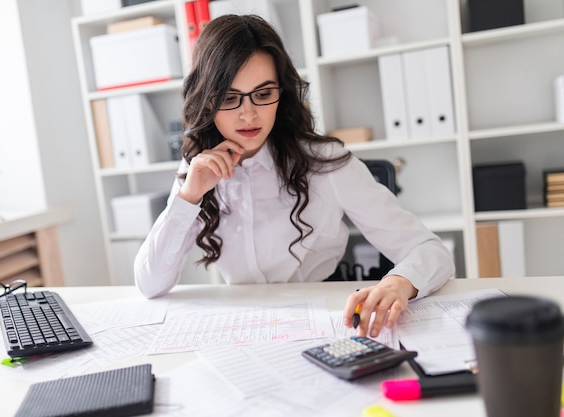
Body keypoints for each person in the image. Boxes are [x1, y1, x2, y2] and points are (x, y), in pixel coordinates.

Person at [134, 14, 455, 338]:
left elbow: (430, 251)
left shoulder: (325, 163)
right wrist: (189, 197)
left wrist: (399, 284)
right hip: (242, 329)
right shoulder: (199, 169)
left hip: (325, 322)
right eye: (230, 98)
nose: (249, 114)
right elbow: (149, 284)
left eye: (263, 94)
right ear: (206, 100)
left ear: (282, 94)